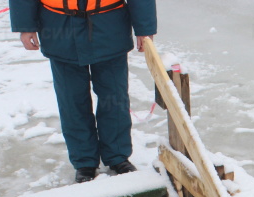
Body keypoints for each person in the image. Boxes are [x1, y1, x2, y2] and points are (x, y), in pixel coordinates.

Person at [9, 0, 157, 183]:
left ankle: (118, 156)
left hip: (110, 28)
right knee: (72, 101)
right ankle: (84, 161)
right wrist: (25, 26)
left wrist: (144, 27)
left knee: (114, 98)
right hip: (59, 30)